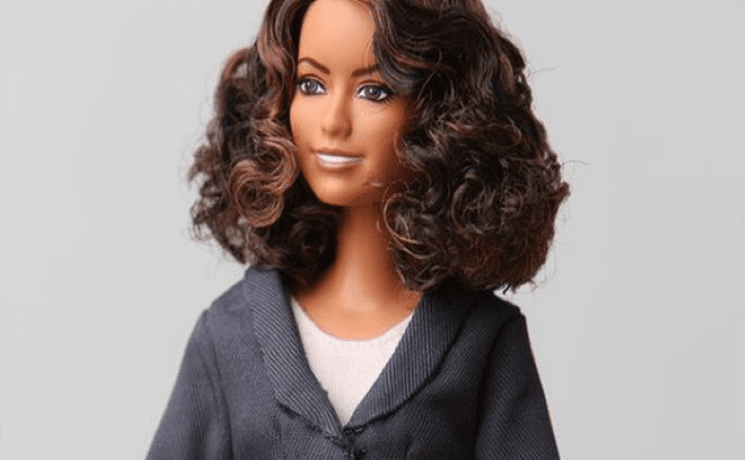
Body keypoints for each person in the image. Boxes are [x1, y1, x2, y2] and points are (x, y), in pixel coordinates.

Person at [147, 0, 569, 457]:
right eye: (311, 85)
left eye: (374, 91)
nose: (333, 122)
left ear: (441, 114)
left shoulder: (481, 340)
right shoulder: (229, 336)